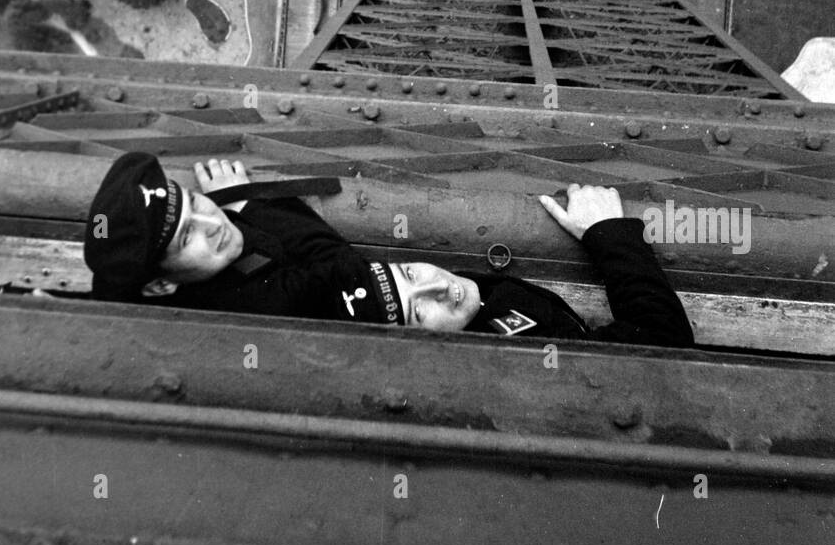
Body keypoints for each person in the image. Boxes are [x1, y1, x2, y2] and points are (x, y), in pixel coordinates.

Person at [83, 151, 694, 347]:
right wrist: (610, 235)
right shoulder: (265, 312)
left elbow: (334, 267)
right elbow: (335, 264)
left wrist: (243, 206)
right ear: (160, 284)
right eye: (187, 235)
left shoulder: (214, 301)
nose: (211, 222)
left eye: (195, 204)